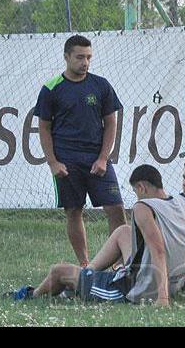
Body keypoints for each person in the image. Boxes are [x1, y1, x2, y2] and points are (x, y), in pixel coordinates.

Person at [7, 164, 185, 305]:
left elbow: (158, 250)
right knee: (123, 231)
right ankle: (87, 276)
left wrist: (163, 298)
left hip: (137, 288)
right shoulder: (183, 203)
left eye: (136, 191)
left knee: (58, 271)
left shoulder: (143, 207)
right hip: (170, 279)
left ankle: (30, 295)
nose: (136, 196)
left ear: (141, 187)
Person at [34, 34, 127, 268]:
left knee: (116, 208)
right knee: (74, 210)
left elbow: (111, 123)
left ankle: (117, 264)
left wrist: (104, 158)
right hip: (67, 160)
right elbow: (43, 128)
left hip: (96, 158)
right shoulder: (51, 89)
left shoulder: (101, 85)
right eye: (79, 57)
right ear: (67, 57)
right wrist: (53, 163)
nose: (85, 62)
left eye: (88, 57)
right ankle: (86, 265)